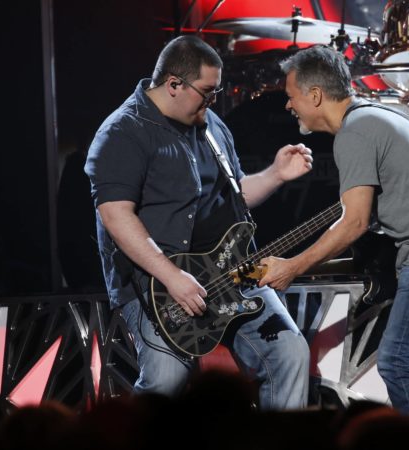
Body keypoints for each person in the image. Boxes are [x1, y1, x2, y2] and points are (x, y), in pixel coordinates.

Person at [259, 45, 409, 419]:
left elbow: (354, 222)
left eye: (291, 97)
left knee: (399, 361)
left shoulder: (354, 132)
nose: (289, 106)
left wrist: (292, 266)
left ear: (314, 95)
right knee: (407, 359)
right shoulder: (383, 114)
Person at [84, 35, 312, 410]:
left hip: (231, 270)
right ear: (174, 84)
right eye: (207, 92)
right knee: (166, 381)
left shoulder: (211, 125)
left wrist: (275, 174)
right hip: (158, 284)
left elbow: (234, 196)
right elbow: (115, 215)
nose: (214, 101)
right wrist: (172, 277)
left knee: (289, 352)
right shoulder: (122, 132)